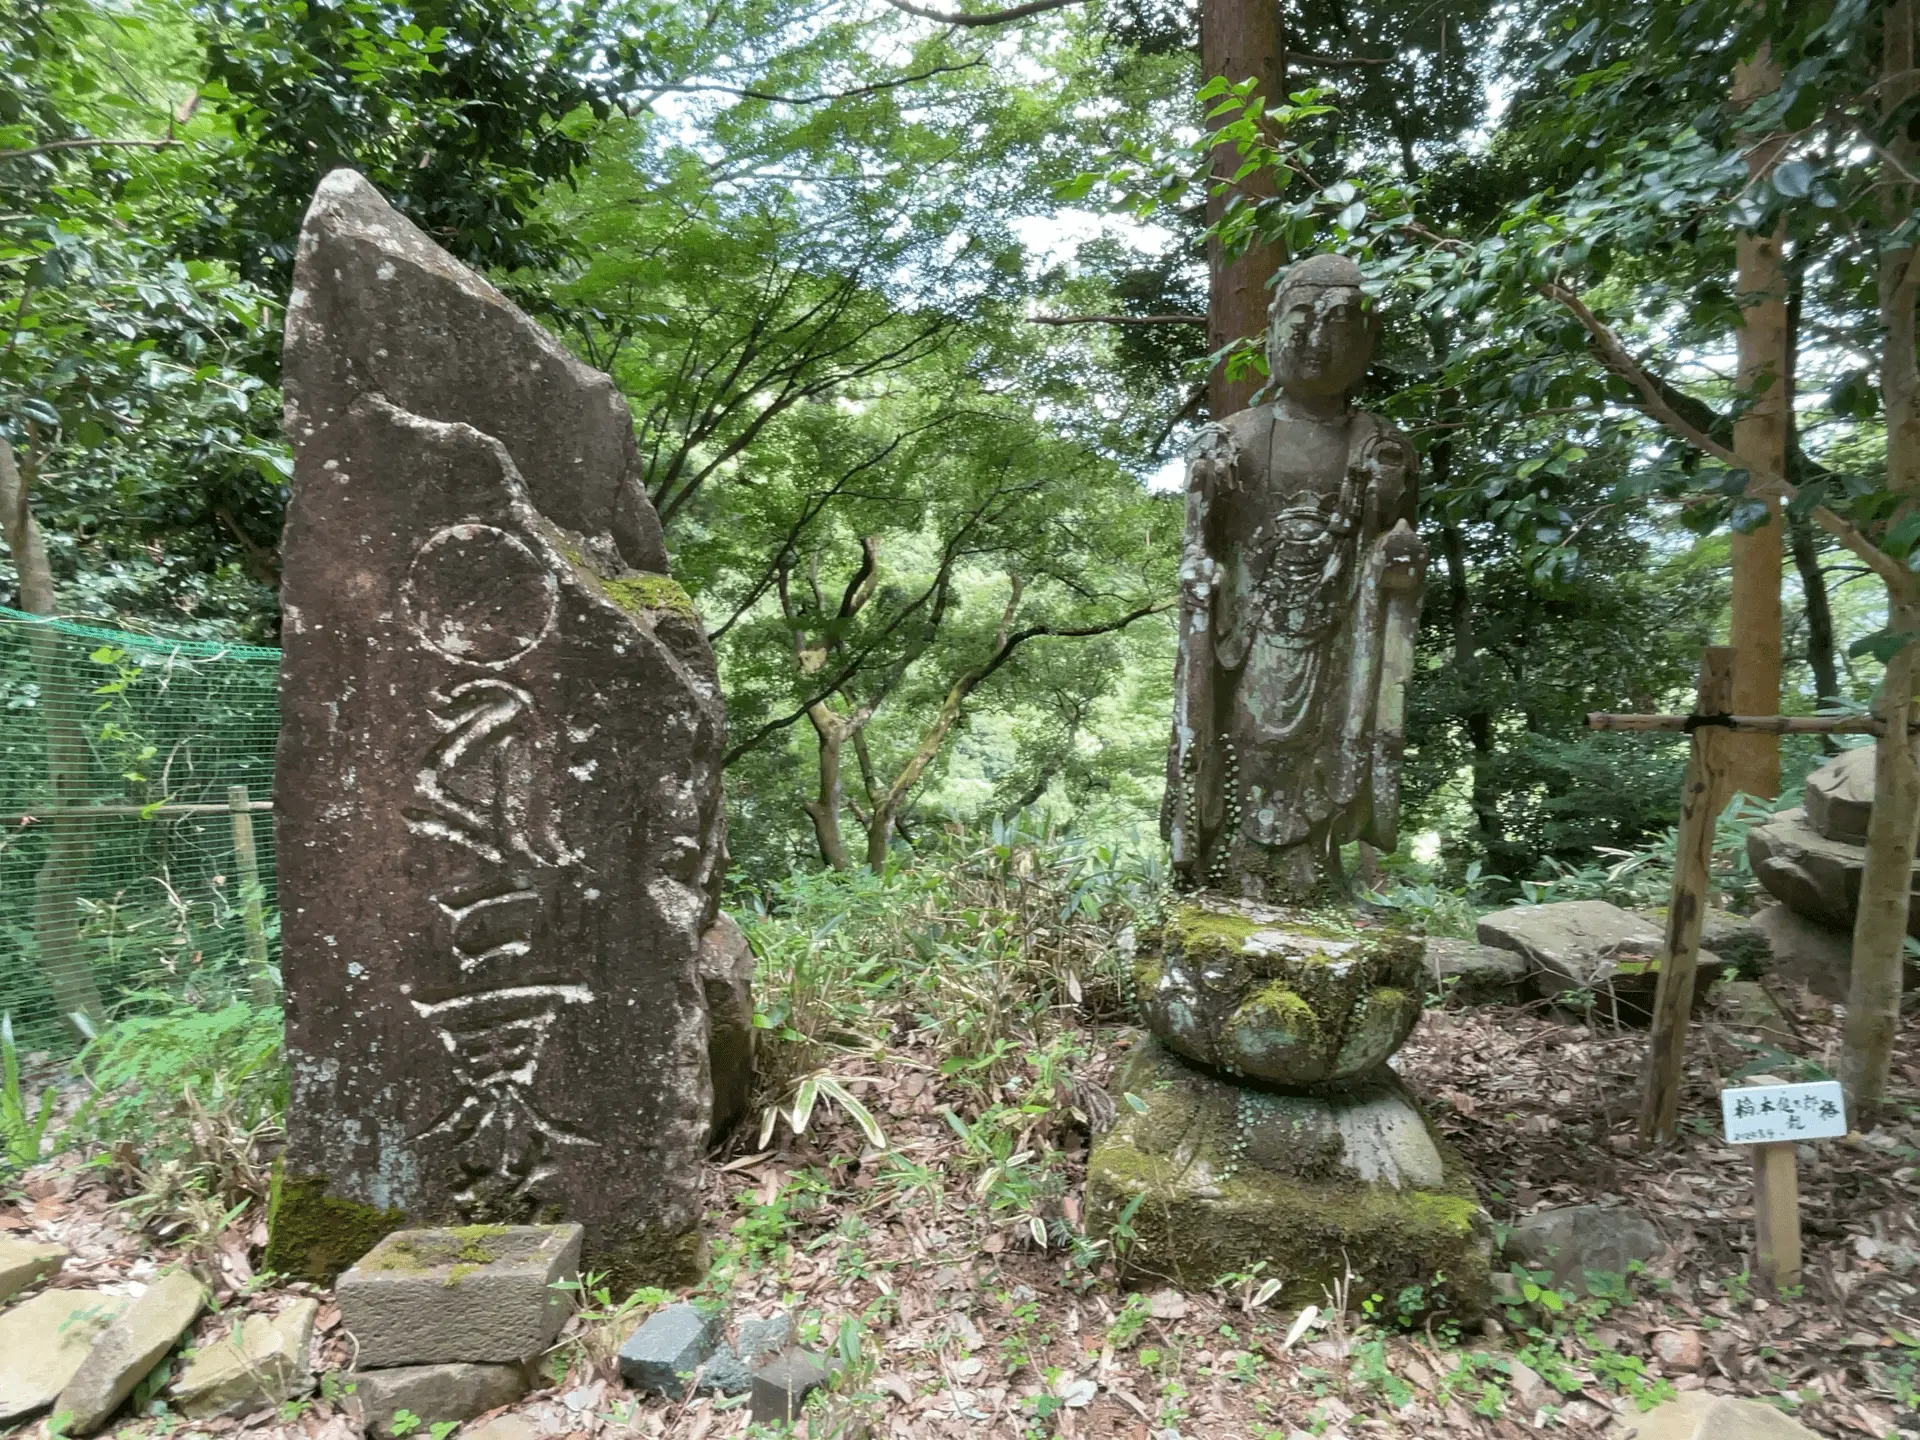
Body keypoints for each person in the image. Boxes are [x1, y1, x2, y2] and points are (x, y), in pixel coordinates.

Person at [1164, 253, 1427, 900]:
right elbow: (1201, 543)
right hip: (1253, 628)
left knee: (1331, 743)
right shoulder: (1233, 438)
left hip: (1342, 631)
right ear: (1272, 326)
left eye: (1340, 324)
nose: (1316, 339)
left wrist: (1393, 547)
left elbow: (1393, 541)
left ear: (1368, 340)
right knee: (1251, 735)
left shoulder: (1380, 443)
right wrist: (1201, 549)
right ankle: (1235, 864)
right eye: (1303, 318)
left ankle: (1313, 869)